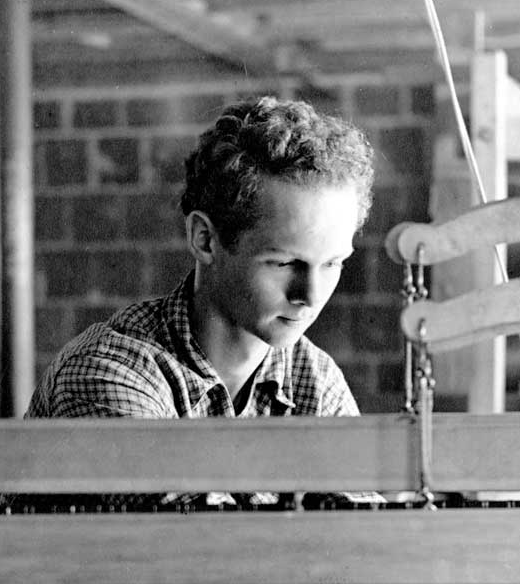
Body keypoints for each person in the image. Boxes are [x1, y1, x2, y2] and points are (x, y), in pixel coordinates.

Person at [27, 95, 374, 426]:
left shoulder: (315, 379)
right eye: (284, 263)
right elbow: (177, 491)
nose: (311, 296)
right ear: (204, 239)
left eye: (332, 264)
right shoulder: (107, 370)